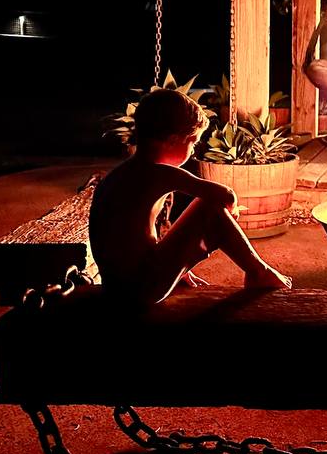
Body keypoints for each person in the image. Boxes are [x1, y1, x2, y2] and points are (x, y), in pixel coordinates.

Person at [88, 85, 292, 306]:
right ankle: (258, 271)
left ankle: (255, 271)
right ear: (173, 140)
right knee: (210, 208)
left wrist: (178, 267)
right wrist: (230, 212)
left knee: (206, 208)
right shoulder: (159, 174)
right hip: (140, 290)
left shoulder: (122, 173)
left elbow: (132, 242)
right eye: (192, 141)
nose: (194, 149)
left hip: (118, 287)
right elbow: (226, 196)